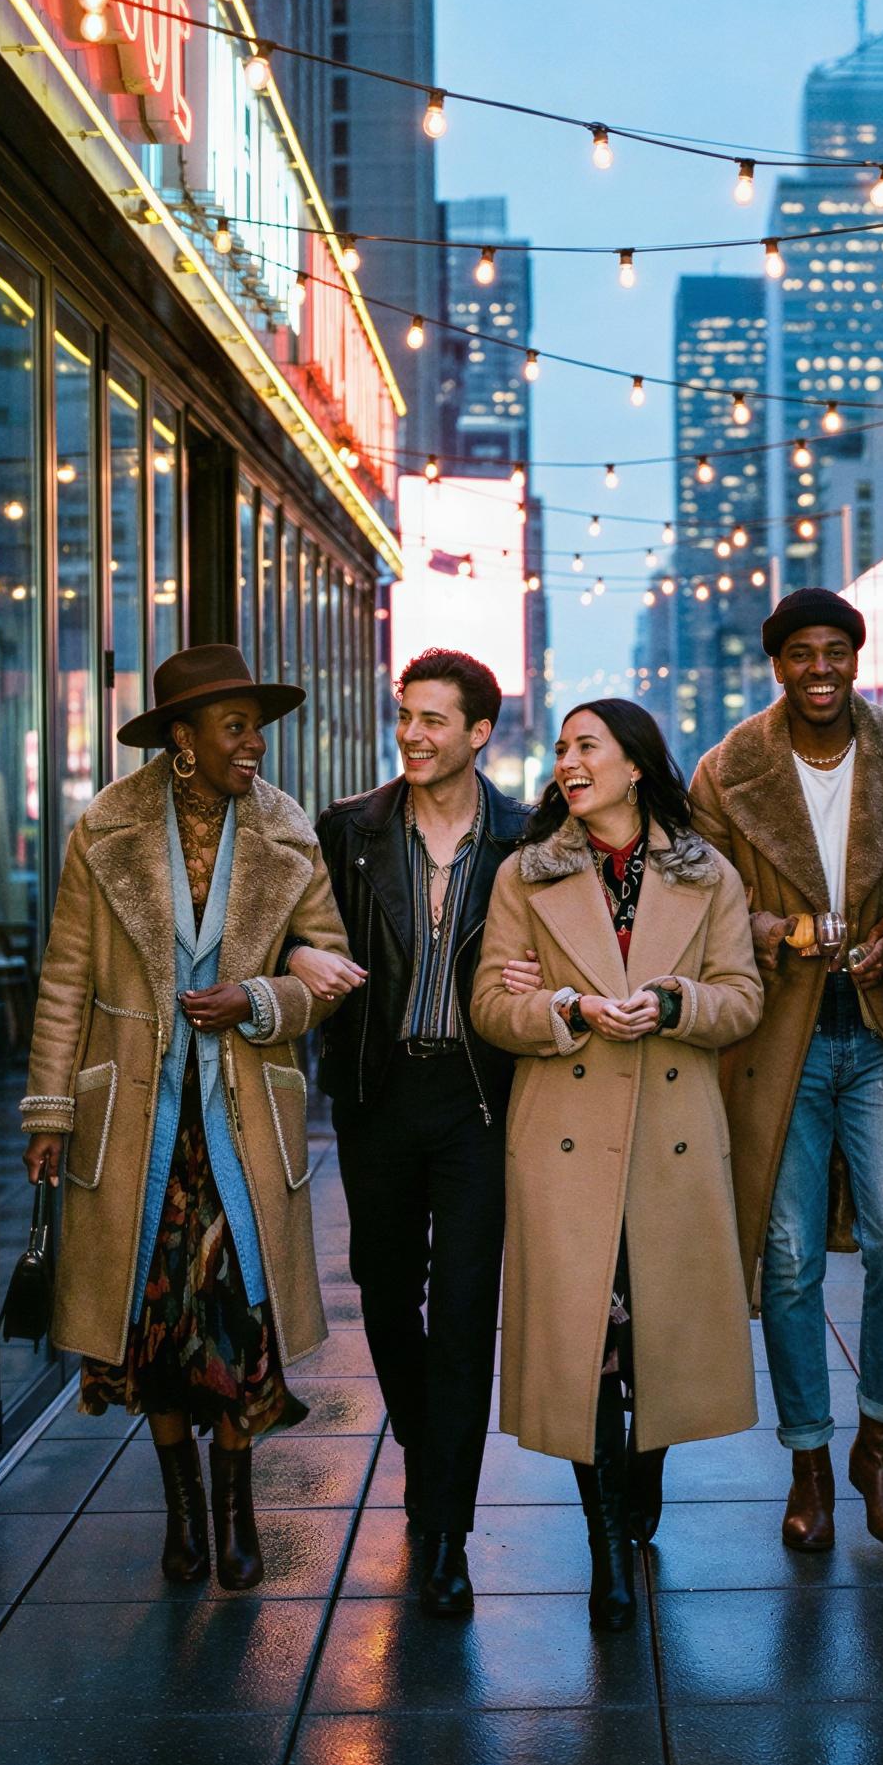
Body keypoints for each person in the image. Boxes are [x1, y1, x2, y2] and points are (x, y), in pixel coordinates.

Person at [21, 644, 351, 1590]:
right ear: (183, 739)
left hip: (244, 1124)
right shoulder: (106, 830)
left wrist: (256, 999)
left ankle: (239, 1514)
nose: (254, 744)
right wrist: (49, 1112)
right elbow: (65, 981)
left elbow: (324, 972)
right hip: (137, 1126)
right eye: (235, 726)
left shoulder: (286, 832)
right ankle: (182, 1518)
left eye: (256, 725)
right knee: (155, 1332)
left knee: (242, 1325)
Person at [472, 700, 762, 1632]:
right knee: (583, 1346)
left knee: (660, 1338)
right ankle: (603, 1547)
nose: (566, 762)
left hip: (672, 1136)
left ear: (636, 765)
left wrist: (675, 1003)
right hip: (565, 1139)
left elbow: (742, 998)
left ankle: (645, 1480)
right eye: (560, 748)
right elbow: (489, 1003)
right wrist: (563, 1007)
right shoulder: (529, 872)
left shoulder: (703, 871)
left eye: (585, 746)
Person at [689, 589, 883, 1552]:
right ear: (779, 665)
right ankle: (808, 1463)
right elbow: (703, 895)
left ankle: (877, 1443)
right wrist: (771, 928)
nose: (821, 668)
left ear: (856, 657)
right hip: (778, 1035)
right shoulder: (729, 771)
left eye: (836, 650)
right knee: (787, 1258)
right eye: (802, 653)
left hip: (882, 1031)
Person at [283, 649, 530, 1618]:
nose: (413, 735)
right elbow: (286, 927)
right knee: (385, 1291)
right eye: (405, 716)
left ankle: (443, 1528)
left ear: (479, 732)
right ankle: (429, 1455)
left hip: (475, 1098)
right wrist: (299, 948)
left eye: (434, 719)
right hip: (376, 1090)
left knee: (466, 1309)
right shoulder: (348, 828)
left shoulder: (521, 835)